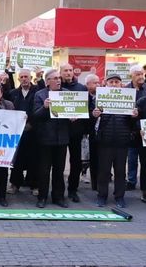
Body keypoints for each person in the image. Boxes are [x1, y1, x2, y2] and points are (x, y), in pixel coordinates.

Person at [92, 73, 139, 208]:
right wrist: (94, 114)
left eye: (116, 82)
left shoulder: (128, 99)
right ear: (106, 84)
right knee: (103, 171)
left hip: (121, 141)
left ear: (121, 84)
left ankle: (119, 197)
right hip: (105, 141)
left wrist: (134, 116)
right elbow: (90, 120)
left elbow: (132, 124)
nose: (114, 85)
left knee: (120, 172)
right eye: (111, 82)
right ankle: (102, 196)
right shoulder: (98, 99)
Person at [32, 69, 72, 208]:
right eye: (55, 78)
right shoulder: (40, 95)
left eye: (59, 78)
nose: (58, 80)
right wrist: (44, 107)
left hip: (61, 138)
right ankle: (42, 197)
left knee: (59, 170)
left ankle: (58, 197)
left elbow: (73, 112)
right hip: (45, 139)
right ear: (47, 81)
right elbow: (35, 116)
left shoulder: (67, 94)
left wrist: (74, 117)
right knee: (44, 170)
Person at [7, 68, 38, 195]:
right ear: (18, 79)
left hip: (34, 131)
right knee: (17, 159)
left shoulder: (37, 91)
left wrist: (31, 123)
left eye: (26, 76)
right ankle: (15, 184)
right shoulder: (13, 93)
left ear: (31, 78)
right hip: (17, 131)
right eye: (22, 77)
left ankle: (34, 185)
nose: (24, 79)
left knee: (34, 159)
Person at [60, 63, 87, 203]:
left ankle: (72, 190)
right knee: (58, 163)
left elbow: (86, 108)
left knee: (76, 162)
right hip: (60, 131)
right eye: (65, 71)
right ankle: (58, 190)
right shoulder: (56, 88)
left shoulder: (81, 89)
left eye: (70, 70)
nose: (68, 73)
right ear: (61, 73)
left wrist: (80, 116)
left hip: (76, 131)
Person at [126, 64, 146, 191]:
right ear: (131, 76)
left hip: (145, 129)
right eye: (137, 74)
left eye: (142, 74)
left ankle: (145, 183)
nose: (140, 76)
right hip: (131, 129)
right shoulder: (126, 89)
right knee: (132, 157)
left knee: (145, 159)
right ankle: (131, 180)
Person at [84, 74, 101, 191]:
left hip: (103, 133)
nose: (98, 84)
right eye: (95, 83)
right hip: (88, 132)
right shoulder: (83, 97)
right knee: (92, 159)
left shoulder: (104, 96)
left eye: (99, 82)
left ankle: (101, 182)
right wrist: (91, 114)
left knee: (102, 159)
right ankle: (94, 184)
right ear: (87, 85)